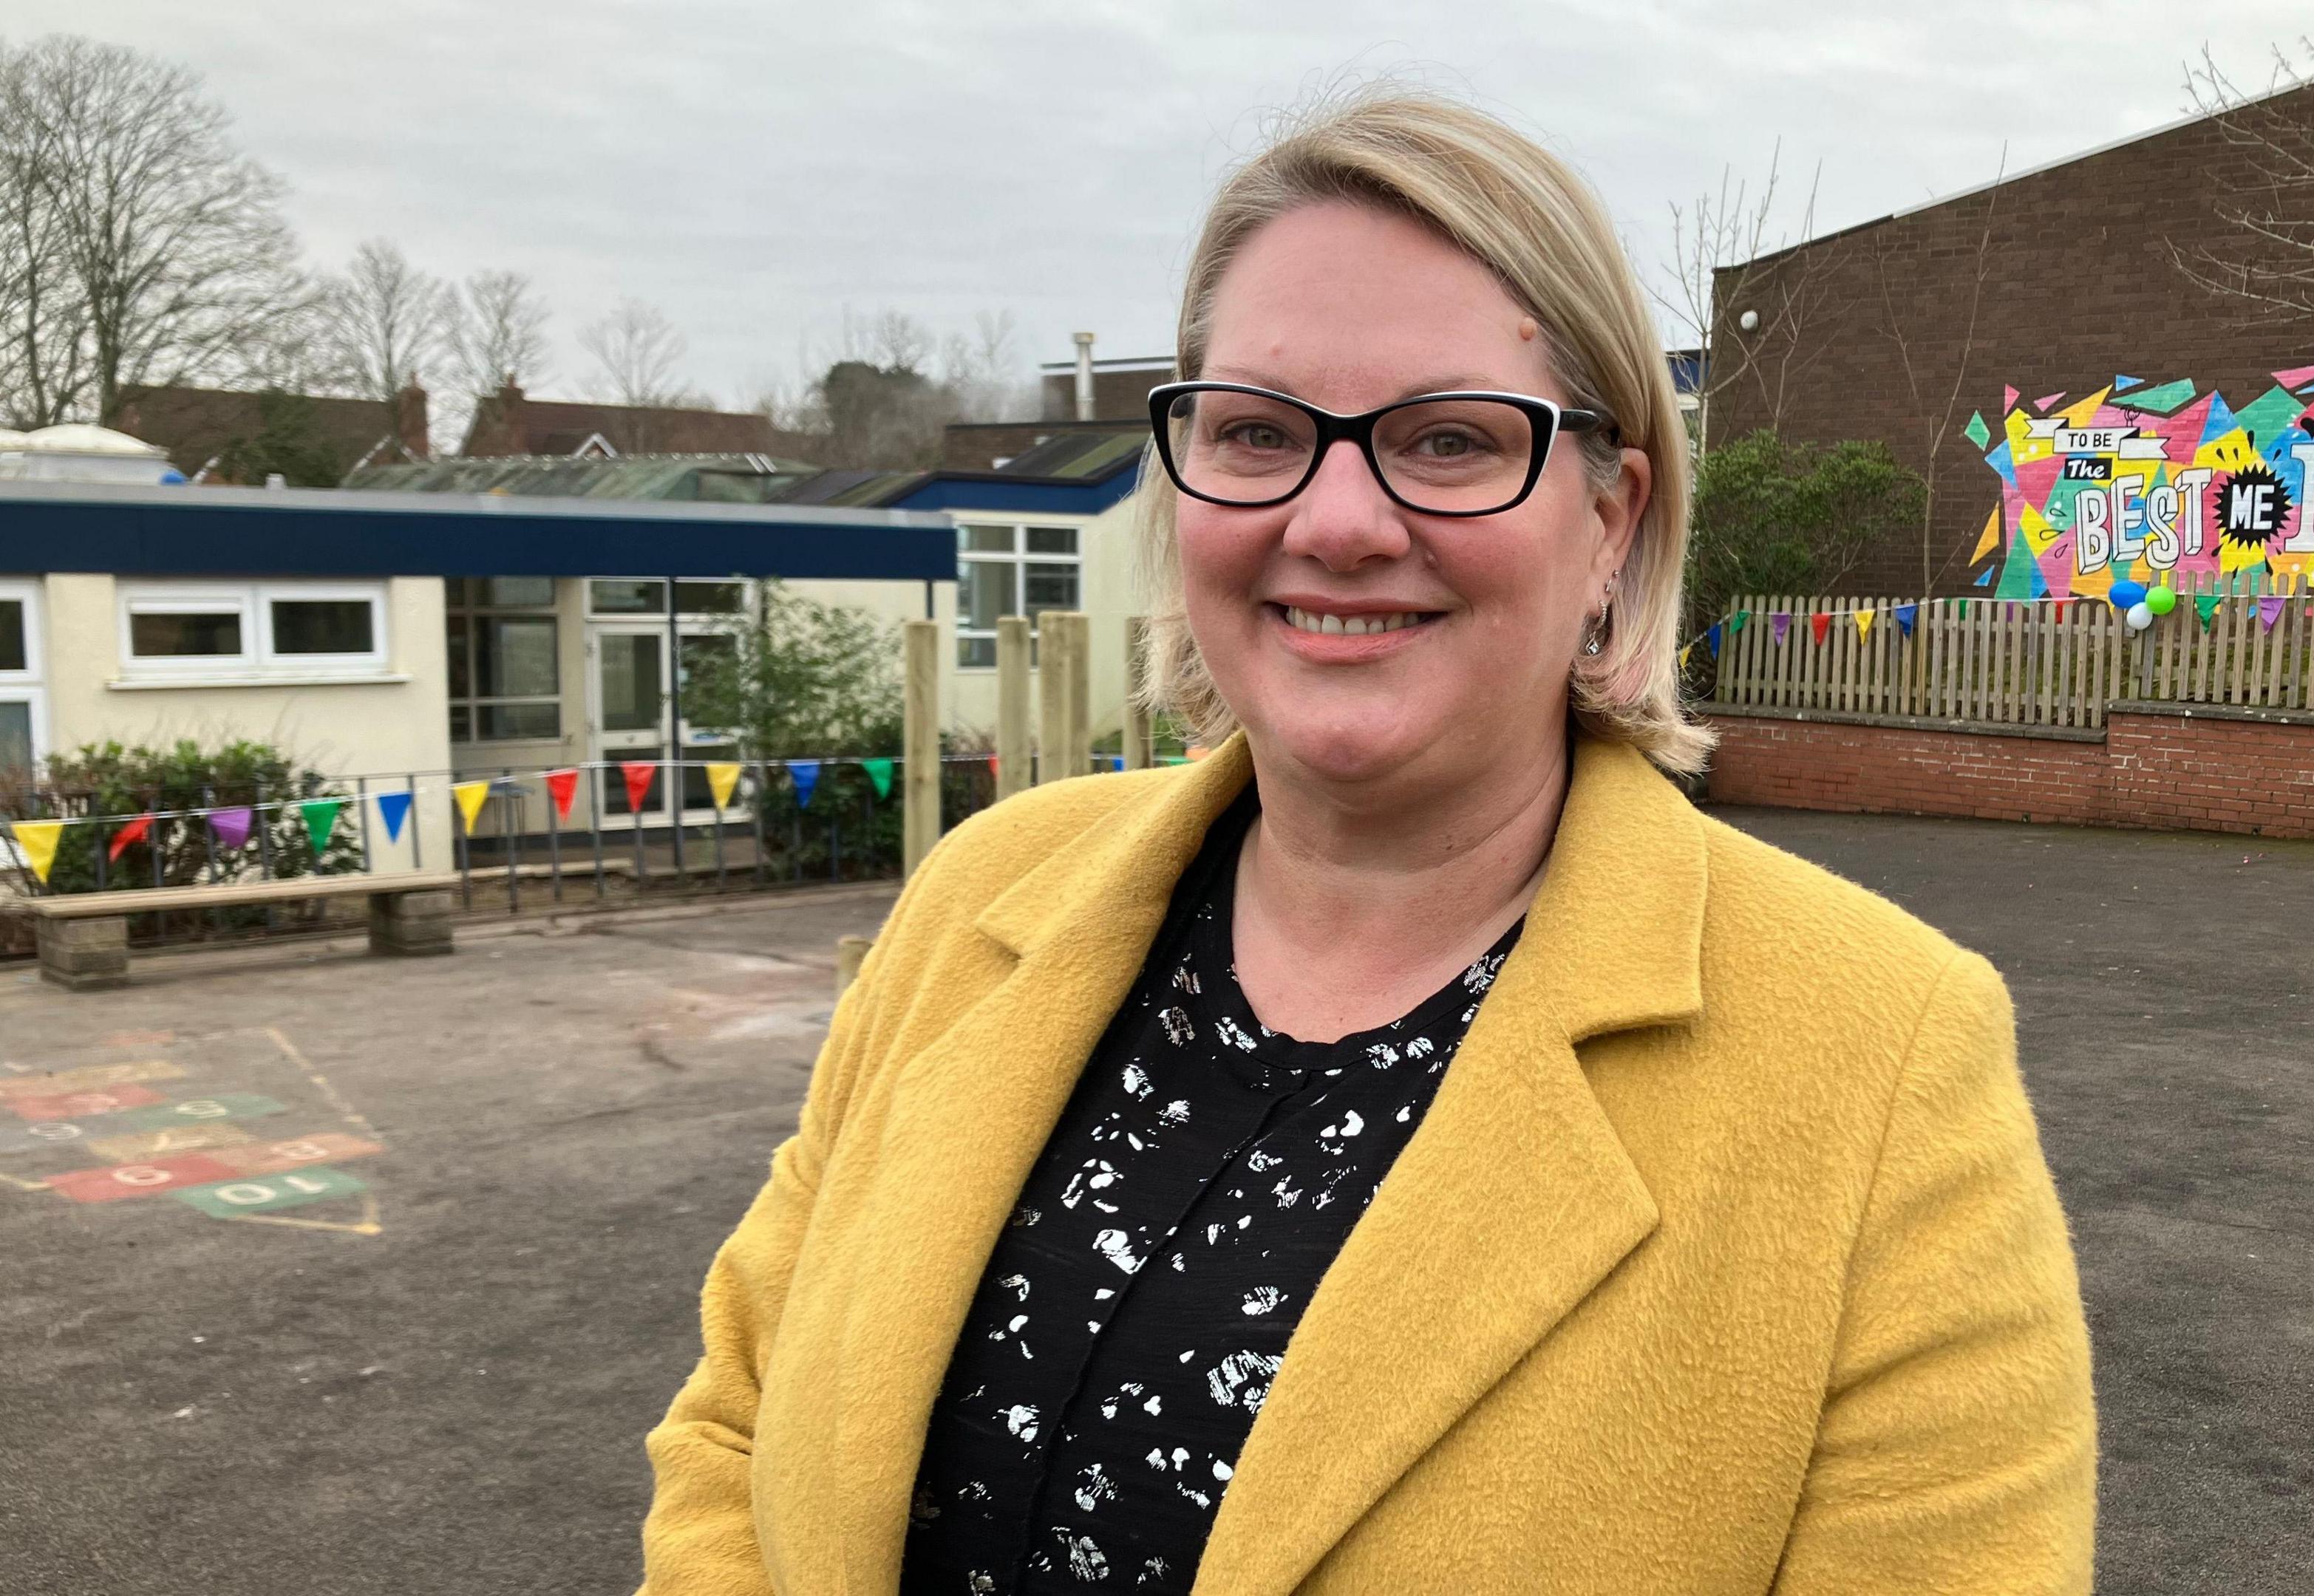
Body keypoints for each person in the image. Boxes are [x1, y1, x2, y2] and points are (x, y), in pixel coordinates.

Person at [637, 89, 2094, 1596]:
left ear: (1611, 519)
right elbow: (737, 1436)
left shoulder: (1884, 1059)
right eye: (1260, 431)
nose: (1336, 520)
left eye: (1452, 440)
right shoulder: (984, 896)